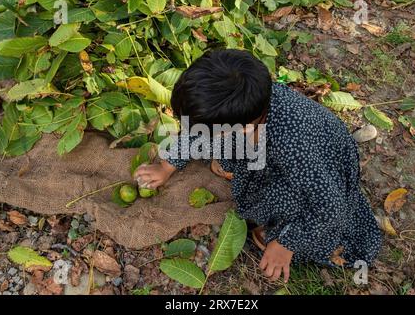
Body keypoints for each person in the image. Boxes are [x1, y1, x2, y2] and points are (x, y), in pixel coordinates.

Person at [134, 49, 382, 283]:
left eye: (211, 132)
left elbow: (330, 208)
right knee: (221, 141)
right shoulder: (245, 99)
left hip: (320, 179)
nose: (196, 131)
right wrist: (167, 166)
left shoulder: (293, 148)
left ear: (243, 128)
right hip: (277, 150)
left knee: (295, 211)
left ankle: (279, 231)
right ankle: (241, 166)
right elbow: (201, 128)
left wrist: (285, 244)